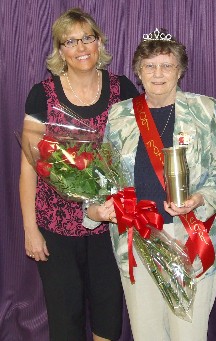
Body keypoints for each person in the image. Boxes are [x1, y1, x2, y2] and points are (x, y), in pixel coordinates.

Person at [86, 28, 216, 341]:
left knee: (188, 335)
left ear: (180, 71)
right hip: (139, 239)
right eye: (149, 66)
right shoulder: (121, 114)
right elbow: (104, 175)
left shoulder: (204, 109)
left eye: (167, 65)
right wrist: (96, 209)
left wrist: (198, 199)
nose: (158, 73)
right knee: (147, 334)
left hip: (191, 235)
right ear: (138, 71)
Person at [19, 8, 139, 341]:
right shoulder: (41, 94)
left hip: (108, 224)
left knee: (108, 315)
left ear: (99, 42)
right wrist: (31, 230)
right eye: (70, 41)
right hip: (55, 227)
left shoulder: (123, 88)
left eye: (87, 37)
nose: (81, 47)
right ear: (60, 51)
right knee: (65, 319)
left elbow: (148, 140)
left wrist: (201, 127)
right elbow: (29, 167)